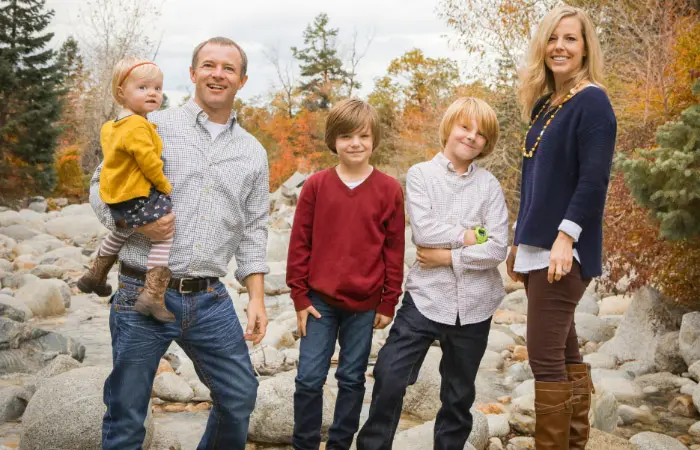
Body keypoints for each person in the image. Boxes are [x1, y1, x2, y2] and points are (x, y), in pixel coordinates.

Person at [90, 37, 270, 450]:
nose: (217, 74)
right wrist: (137, 223)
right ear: (192, 74)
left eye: (228, 68)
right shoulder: (150, 125)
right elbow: (99, 189)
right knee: (127, 413)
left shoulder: (253, 152)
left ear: (242, 80)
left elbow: (255, 227)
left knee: (240, 394)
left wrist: (257, 297)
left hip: (209, 297)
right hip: (140, 292)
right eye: (208, 65)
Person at [357, 97, 508, 450]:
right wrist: (470, 235)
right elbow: (423, 232)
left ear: (487, 143)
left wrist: (449, 258)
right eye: (465, 127)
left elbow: (498, 247)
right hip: (425, 299)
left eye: (481, 134)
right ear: (449, 128)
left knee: (458, 394)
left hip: (475, 306)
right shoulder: (421, 175)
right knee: (390, 374)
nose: (471, 137)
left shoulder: (489, 186)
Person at [505, 6, 617, 449]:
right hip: (538, 246)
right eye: (553, 38)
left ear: (586, 47)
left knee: (544, 358)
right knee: (566, 353)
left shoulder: (593, 101)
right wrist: (518, 240)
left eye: (570, 39)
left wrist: (565, 238)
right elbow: (533, 180)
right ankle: (572, 443)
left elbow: (594, 180)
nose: (560, 47)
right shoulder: (545, 104)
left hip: (564, 249)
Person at [286, 98, 405, 450]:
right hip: (318, 302)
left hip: (365, 303)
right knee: (308, 378)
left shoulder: (388, 189)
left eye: (363, 136)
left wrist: (388, 301)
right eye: (346, 136)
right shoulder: (316, 186)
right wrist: (299, 296)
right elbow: (299, 244)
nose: (355, 143)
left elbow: (394, 250)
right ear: (333, 140)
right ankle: (304, 443)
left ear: (374, 140)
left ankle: (339, 443)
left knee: (352, 378)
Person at [78, 56, 175, 323]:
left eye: (157, 88)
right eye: (143, 88)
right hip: (135, 193)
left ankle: (95, 274)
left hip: (116, 194)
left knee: (123, 229)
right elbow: (149, 162)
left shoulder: (112, 126)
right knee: (165, 233)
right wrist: (164, 186)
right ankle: (152, 295)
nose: (152, 93)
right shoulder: (137, 126)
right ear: (121, 92)